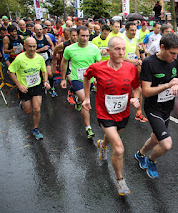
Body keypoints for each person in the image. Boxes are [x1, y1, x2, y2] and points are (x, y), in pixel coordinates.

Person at [82, 36, 141, 196]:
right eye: (117, 49)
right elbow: (86, 77)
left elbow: (136, 87)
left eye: (123, 49)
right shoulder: (97, 67)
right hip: (104, 113)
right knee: (119, 149)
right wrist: (87, 97)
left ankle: (102, 145)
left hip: (123, 114)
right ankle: (120, 181)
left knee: (112, 136)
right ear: (108, 51)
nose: (122, 52)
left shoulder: (131, 68)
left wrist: (135, 98)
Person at [134, 33, 178, 178]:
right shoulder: (149, 62)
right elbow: (146, 92)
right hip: (153, 108)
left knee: (156, 138)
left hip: (168, 107)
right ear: (162, 47)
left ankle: (140, 154)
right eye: (172, 53)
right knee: (166, 144)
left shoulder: (177, 59)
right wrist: (168, 85)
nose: (175, 57)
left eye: (177, 54)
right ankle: (151, 160)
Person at [60, 26, 101, 139]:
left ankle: (77, 100)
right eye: (82, 35)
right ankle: (88, 128)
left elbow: (98, 64)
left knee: (83, 100)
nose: (85, 38)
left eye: (87, 36)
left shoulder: (94, 48)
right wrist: (63, 78)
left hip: (90, 80)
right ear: (77, 36)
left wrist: (98, 79)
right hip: (77, 79)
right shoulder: (69, 49)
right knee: (85, 100)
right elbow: (64, 63)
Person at [8, 37, 51, 140]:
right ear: (25, 46)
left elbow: (44, 71)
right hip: (24, 88)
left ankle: (35, 129)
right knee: (28, 111)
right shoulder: (19, 59)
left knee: (37, 109)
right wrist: (19, 85)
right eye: (30, 46)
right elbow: (11, 71)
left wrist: (45, 81)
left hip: (37, 86)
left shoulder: (39, 58)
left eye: (34, 46)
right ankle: (22, 105)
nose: (32, 49)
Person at [123, 21, 148, 123]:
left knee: (139, 90)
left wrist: (138, 59)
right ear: (126, 30)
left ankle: (139, 113)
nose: (134, 32)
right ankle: (120, 113)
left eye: (135, 30)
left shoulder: (135, 38)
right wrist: (130, 61)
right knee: (124, 92)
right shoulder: (122, 39)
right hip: (123, 69)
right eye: (131, 30)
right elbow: (118, 56)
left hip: (133, 68)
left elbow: (136, 49)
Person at [52, 28, 78, 105]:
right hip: (67, 66)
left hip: (76, 66)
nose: (75, 37)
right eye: (73, 35)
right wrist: (54, 58)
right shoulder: (65, 44)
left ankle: (74, 93)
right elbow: (56, 49)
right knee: (73, 81)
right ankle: (70, 94)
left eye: (76, 35)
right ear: (69, 36)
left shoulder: (80, 44)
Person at [33, 24, 56, 97]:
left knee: (49, 73)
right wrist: (41, 49)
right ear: (34, 30)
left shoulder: (46, 37)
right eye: (37, 30)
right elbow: (30, 51)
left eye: (40, 29)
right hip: (36, 59)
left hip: (46, 58)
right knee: (39, 75)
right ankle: (41, 89)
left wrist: (52, 51)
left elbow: (52, 45)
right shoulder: (33, 39)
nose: (39, 31)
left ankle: (52, 88)